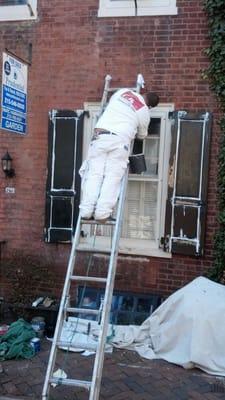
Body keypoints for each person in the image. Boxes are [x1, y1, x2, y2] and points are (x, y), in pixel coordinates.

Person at [79, 88, 159, 222]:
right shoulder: (144, 110)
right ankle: (102, 214)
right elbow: (142, 135)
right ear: (149, 106)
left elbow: (112, 105)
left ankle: (86, 211)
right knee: (112, 177)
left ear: (143, 94)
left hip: (99, 136)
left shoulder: (122, 92)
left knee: (94, 174)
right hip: (119, 141)